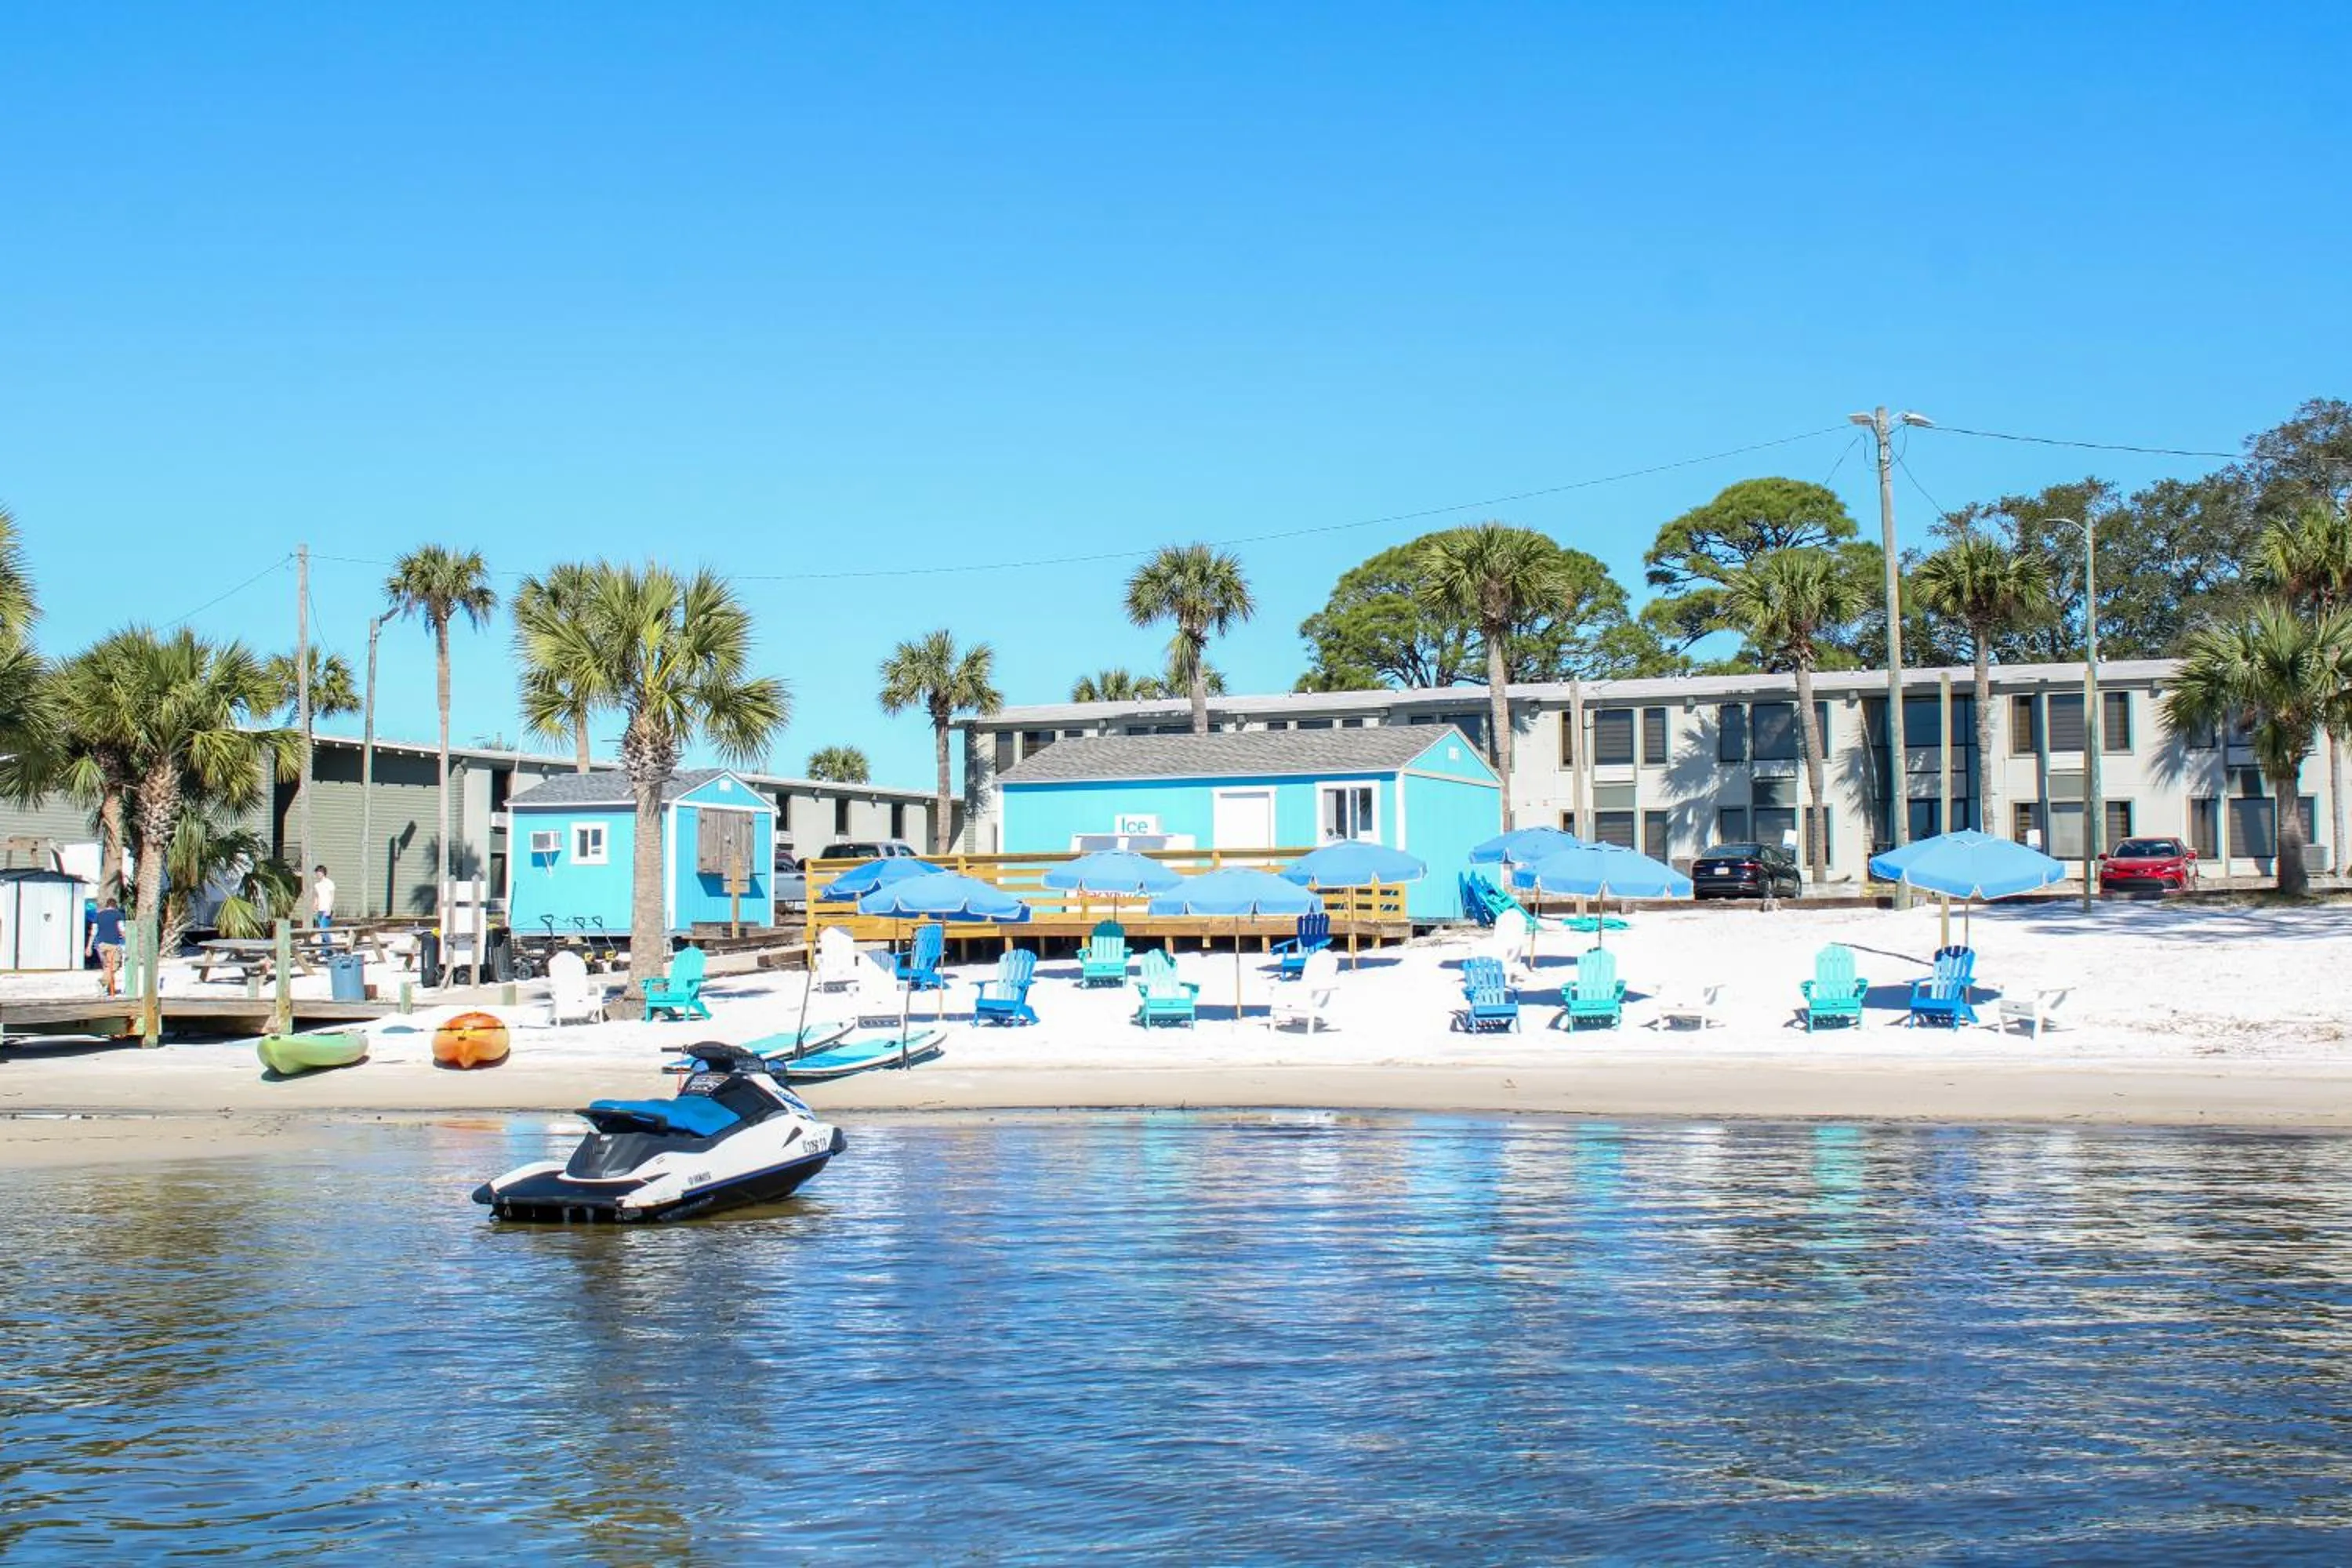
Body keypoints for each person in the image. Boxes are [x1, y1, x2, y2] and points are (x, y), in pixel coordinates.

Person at [87, 898, 126, 996]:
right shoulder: (118, 915)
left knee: (107, 966)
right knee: (114, 966)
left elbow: (94, 932)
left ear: (107, 905)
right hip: (113, 944)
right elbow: (121, 929)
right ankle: (102, 982)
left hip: (101, 945)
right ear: (115, 906)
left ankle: (108, 989)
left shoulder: (98, 915)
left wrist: (89, 947)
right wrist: (128, 940)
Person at [312, 865, 336, 930]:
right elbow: (317, 897)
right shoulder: (317, 885)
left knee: (323, 928)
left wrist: (329, 908)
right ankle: (325, 940)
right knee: (321, 929)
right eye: (317, 872)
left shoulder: (329, 883)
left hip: (327, 909)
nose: (317, 874)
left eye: (319, 872)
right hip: (320, 909)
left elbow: (332, 897)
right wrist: (314, 906)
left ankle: (329, 940)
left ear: (323, 873)